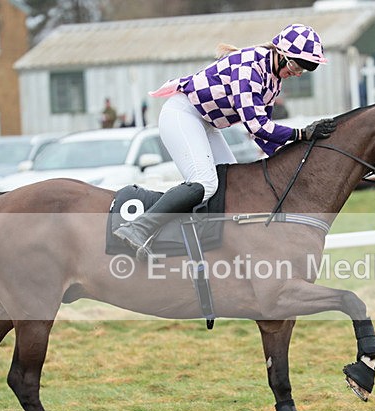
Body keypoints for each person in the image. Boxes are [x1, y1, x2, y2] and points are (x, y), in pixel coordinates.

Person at [113, 23, 336, 261]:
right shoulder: (250, 68)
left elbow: (265, 137)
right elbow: (257, 125)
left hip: (205, 122)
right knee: (205, 183)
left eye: (303, 70)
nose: (296, 73)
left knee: (233, 183)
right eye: (294, 65)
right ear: (280, 54)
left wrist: (303, 154)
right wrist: (302, 134)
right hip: (182, 114)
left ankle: (210, 247)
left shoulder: (273, 80)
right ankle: (138, 229)